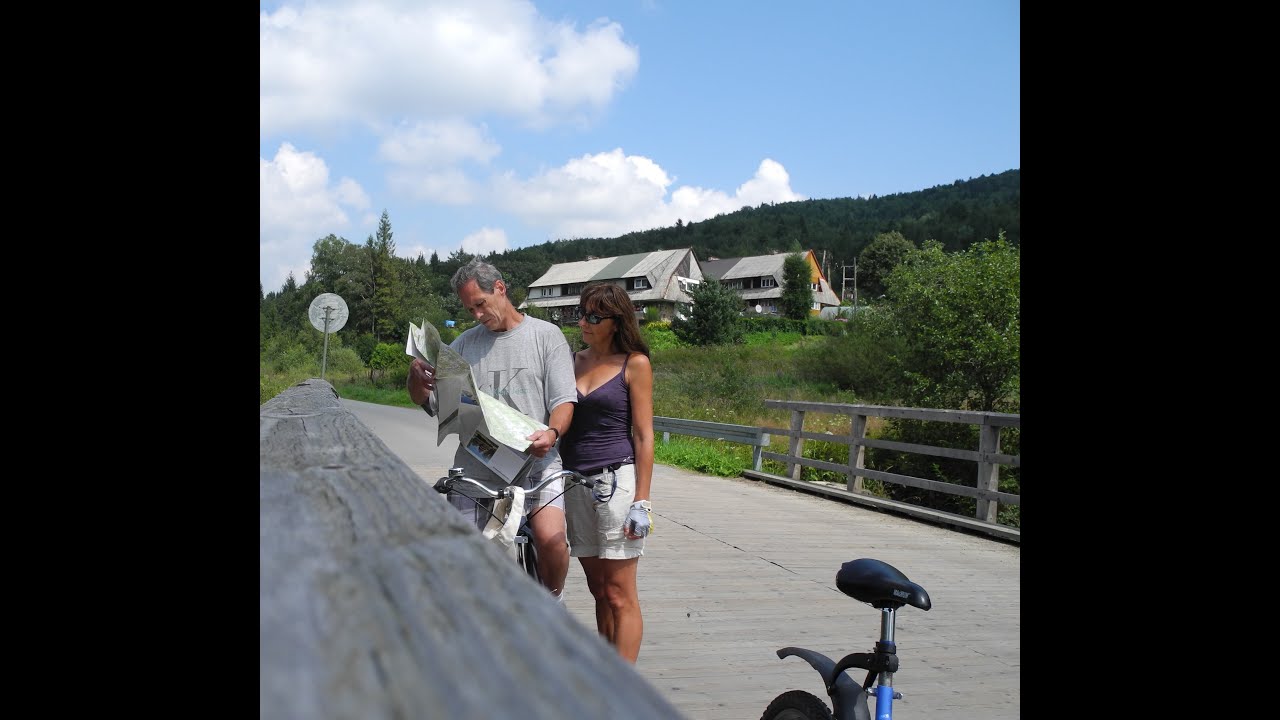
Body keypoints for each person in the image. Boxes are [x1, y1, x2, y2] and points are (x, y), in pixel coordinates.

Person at [407, 258, 577, 600]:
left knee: (552, 541)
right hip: (478, 465)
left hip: (536, 463)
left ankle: (552, 603)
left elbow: (564, 401)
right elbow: (431, 404)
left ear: (500, 288)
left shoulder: (546, 336)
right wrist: (415, 380)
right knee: (465, 553)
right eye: (470, 309)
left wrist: (552, 434)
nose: (477, 315)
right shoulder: (463, 346)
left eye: (480, 304)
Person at [559, 282, 654, 663]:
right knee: (598, 589)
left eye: (594, 317)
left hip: (616, 483)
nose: (583, 322)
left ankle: (623, 685)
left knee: (619, 592)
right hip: (573, 483)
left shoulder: (635, 363)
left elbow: (643, 435)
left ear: (616, 321)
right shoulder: (570, 361)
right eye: (581, 314)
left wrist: (642, 501)